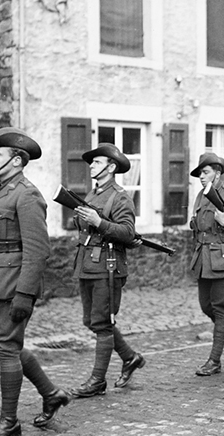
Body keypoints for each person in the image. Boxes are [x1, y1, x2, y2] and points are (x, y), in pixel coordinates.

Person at [0, 127, 70, 436]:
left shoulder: (27, 194)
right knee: (7, 345)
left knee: (6, 347)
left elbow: (38, 250)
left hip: (14, 283)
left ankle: (9, 423)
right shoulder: (1, 190)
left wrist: (25, 294)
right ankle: (51, 394)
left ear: (16, 160)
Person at [69, 143, 146, 398]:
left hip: (107, 266)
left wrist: (99, 222)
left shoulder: (120, 196)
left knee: (102, 324)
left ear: (111, 167)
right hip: (87, 265)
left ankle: (97, 381)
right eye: (92, 162)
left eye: (97, 162)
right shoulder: (92, 194)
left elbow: (128, 232)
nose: (92, 166)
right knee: (90, 320)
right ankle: (130, 357)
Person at [189, 152, 224, 376]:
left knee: (221, 311)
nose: (201, 177)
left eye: (205, 172)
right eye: (200, 174)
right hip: (204, 259)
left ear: (218, 172)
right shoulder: (202, 195)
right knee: (206, 306)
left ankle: (214, 361)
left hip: (223, 259)